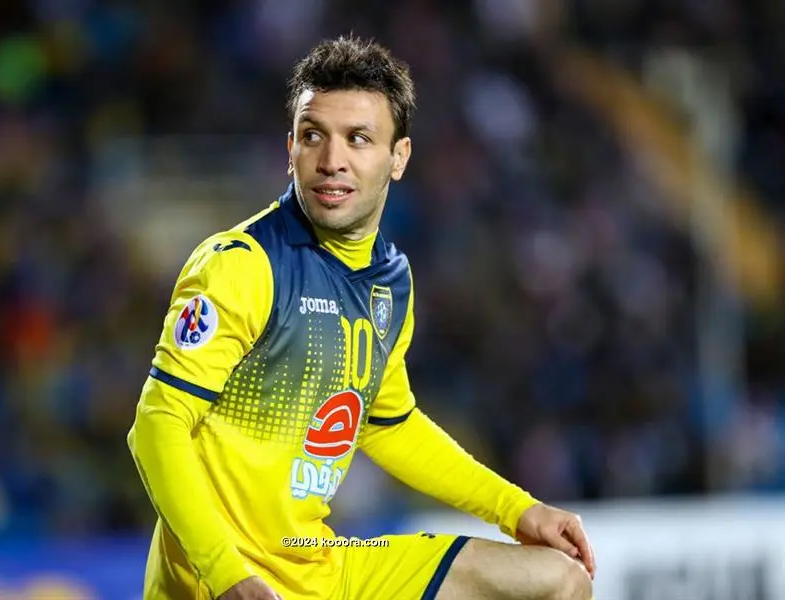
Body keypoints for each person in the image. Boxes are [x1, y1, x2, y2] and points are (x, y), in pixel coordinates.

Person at [127, 35, 596, 600]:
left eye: (358, 139)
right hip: (224, 581)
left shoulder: (390, 280)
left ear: (398, 157)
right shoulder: (244, 265)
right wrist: (227, 576)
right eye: (313, 136)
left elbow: (389, 423)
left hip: (321, 563)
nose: (332, 161)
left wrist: (518, 510)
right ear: (290, 149)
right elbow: (157, 424)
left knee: (558, 581)